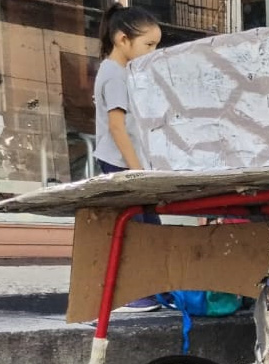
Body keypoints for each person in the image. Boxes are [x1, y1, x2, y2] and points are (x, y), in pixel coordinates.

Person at [95, 2, 163, 312]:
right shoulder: (114, 75)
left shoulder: (122, 72)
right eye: (148, 45)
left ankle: (153, 288)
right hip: (121, 164)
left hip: (128, 162)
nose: (152, 52)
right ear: (123, 39)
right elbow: (116, 127)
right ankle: (130, 294)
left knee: (149, 227)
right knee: (134, 229)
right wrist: (137, 171)